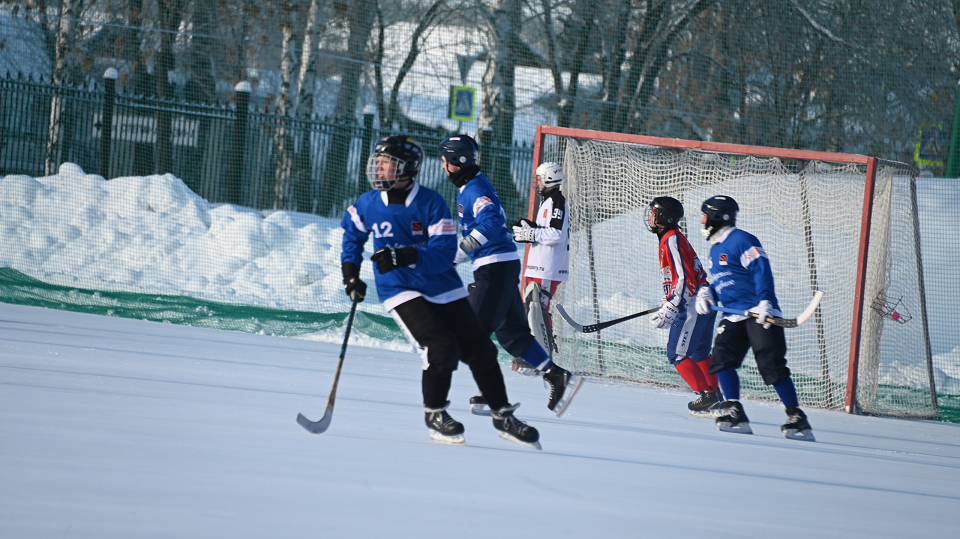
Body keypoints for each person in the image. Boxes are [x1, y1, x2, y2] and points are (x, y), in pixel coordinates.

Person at [340, 135, 540, 449]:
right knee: (440, 346)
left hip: (441, 284)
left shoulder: (431, 203)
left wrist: (405, 255)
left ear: (406, 167)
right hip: (401, 287)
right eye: (377, 162)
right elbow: (352, 236)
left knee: (481, 349)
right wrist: (351, 275)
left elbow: (443, 255)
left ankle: (503, 416)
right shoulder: (367, 204)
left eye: (386, 163)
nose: (378, 168)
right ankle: (435, 414)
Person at [438, 135, 583, 418]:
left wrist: (460, 251)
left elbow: (492, 221)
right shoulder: (473, 186)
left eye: (445, 161)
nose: (443, 166)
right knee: (512, 334)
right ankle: (556, 375)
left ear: (458, 161)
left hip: (494, 269)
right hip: (501, 266)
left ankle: (492, 395)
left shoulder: (474, 189)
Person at [695, 195, 815, 441]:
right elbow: (724, 281)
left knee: (771, 365)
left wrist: (765, 301)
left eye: (705, 216)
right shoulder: (715, 249)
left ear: (717, 216)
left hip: (759, 313)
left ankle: (796, 416)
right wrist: (709, 293)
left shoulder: (742, 240)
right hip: (733, 315)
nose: (702, 221)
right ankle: (734, 410)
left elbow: (761, 269)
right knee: (721, 360)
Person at [644, 196, 722, 416]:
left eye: (653, 214)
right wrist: (669, 298)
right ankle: (715, 395)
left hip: (693, 303)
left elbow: (684, 277)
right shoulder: (671, 239)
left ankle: (707, 396)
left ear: (663, 218)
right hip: (702, 300)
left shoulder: (671, 240)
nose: (650, 218)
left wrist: (674, 303)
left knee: (676, 354)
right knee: (699, 353)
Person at [511, 162, 569, 376]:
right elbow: (546, 230)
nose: (537, 183)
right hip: (539, 265)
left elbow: (556, 234)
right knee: (531, 307)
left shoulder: (557, 201)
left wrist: (532, 234)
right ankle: (533, 355)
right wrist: (531, 228)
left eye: (539, 178)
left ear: (550, 178)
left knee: (539, 309)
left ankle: (542, 358)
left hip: (547, 266)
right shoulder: (549, 201)